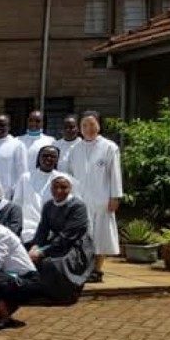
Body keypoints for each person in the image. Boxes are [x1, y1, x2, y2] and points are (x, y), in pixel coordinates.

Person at [68, 111, 122, 283]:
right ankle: (84, 268)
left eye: (92, 124)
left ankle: (97, 270)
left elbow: (115, 174)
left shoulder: (109, 147)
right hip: (80, 201)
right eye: (84, 125)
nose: (88, 129)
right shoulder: (75, 149)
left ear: (99, 125)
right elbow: (69, 175)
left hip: (102, 200)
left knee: (101, 236)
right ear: (79, 128)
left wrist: (115, 196)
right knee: (83, 236)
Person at [28, 174, 95, 302]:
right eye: (55, 187)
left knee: (54, 263)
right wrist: (35, 246)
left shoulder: (78, 206)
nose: (58, 191)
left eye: (63, 187)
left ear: (70, 188)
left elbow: (68, 235)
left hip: (76, 244)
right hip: (58, 242)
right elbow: (43, 229)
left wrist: (42, 251)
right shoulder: (48, 205)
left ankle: (65, 295)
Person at [13, 145, 63, 244]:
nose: (48, 159)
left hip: (53, 232)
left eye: (53, 156)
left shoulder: (63, 180)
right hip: (28, 230)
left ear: (57, 160)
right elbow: (17, 204)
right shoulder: (26, 178)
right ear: (39, 158)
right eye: (45, 155)